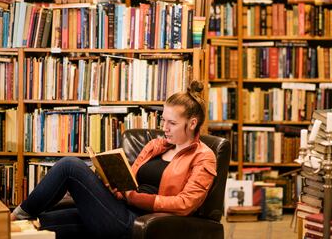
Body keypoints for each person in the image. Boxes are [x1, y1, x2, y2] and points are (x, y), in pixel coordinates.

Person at [11, 80, 217, 239]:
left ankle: (16, 214)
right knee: (40, 224)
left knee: (70, 166)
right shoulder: (155, 145)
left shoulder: (204, 157)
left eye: (172, 123)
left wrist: (134, 198)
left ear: (192, 123)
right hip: (118, 210)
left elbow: (185, 204)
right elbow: (131, 181)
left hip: (138, 222)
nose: (164, 128)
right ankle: (13, 221)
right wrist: (117, 188)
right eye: (163, 120)